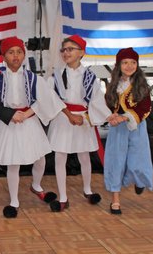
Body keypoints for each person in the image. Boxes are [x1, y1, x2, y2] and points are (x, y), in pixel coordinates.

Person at [0, 37, 63, 218]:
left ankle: (36, 185)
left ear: (24, 55)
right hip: (9, 124)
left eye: (19, 52)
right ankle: (14, 200)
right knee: (13, 163)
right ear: (3, 57)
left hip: (29, 120)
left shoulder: (35, 79)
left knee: (40, 158)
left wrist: (27, 113)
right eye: (11, 52)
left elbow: (45, 100)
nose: (15, 56)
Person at [48, 35, 111, 212]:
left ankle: (88, 189)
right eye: (64, 50)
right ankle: (62, 197)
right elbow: (52, 99)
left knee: (84, 155)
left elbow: (97, 101)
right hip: (63, 118)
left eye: (70, 49)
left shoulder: (91, 77)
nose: (66, 52)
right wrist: (69, 115)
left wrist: (104, 117)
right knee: (60, 156)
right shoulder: (57, 76)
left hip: (83, 118)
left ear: (81, 52)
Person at [104, 47, 153, 214]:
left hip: (136, 127)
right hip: (118, 130)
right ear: (119, 65)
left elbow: (146, 108)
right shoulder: (113, 86)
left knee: (137, 162)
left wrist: (125, 117)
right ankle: (115, 199)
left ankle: (139, 181)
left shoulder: (141, 86)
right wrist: (112, 115)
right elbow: (110, 105)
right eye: (125, 62)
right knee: (115, 162)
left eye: (133, 62)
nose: (129, 66)